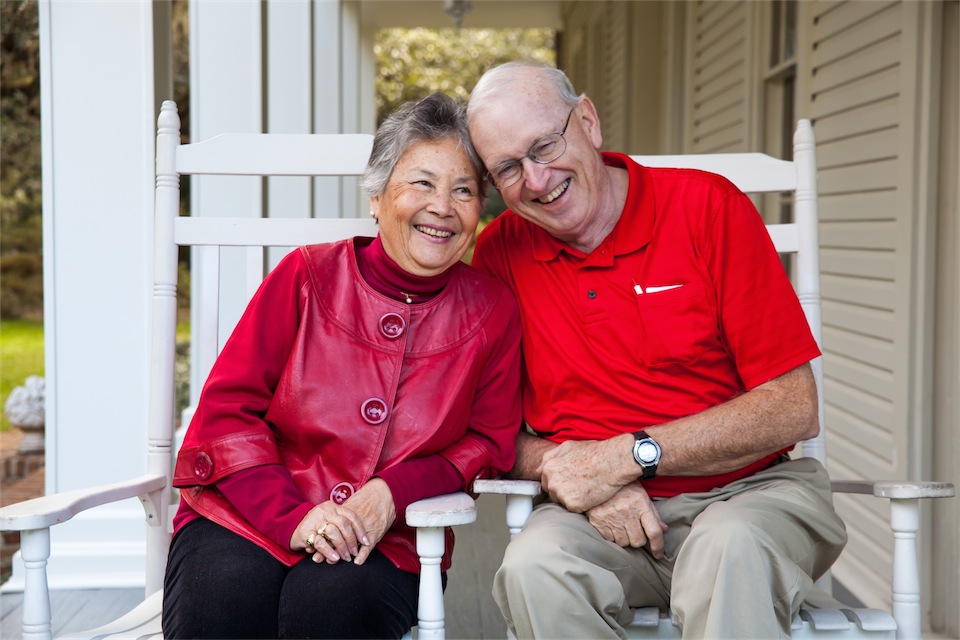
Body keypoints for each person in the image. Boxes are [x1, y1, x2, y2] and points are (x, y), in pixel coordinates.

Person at [466, 60, 847, 639]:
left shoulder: (706, 209)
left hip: (751, 495)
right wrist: (572, 474)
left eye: (544, 146)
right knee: (533, 566)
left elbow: (793, 406)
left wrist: (624, 459)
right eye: (509, 168)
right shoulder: (499, 255)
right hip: (599, 521)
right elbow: (491, 429)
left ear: (588, 122)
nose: (537, 179)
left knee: (730, 547)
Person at [161, 93, 523, 639]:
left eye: (464, 189)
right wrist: (293, 516)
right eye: (421, 183)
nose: (443, 206)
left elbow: (488, 443)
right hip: (245, 512)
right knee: (222, 607)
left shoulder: (492, 310)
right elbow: (228, 414)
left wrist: (390, 493)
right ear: (376, 196)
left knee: (330, 610)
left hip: (389, 537)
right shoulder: (304, 276)